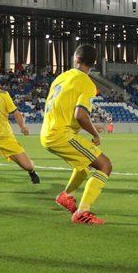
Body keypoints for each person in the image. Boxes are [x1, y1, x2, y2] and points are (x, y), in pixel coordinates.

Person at [41, 44, 113, 225]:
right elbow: (80, 115)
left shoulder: (61, 77)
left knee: (84, 165)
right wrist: (96, 134)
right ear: (94, 63)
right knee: (104, 165)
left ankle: (66, 196)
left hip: (47, 131)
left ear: (76, 58)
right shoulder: (87, 83)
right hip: (61, 134)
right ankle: (82, 212)